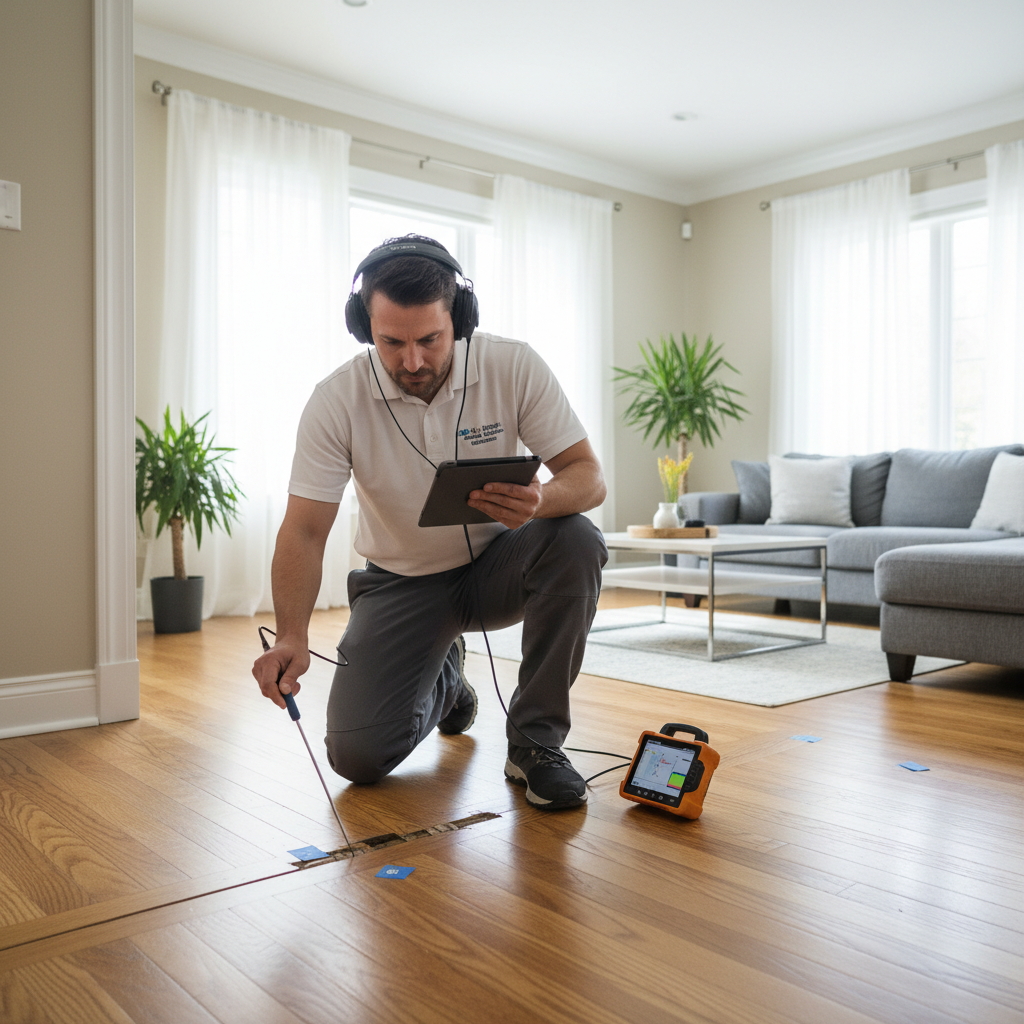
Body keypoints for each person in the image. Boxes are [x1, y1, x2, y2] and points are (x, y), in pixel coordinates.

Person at [251, 235, 608, 810]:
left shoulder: (512, 365)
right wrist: (292, 633)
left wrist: (540, 500)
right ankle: (448, 683)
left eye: (429, 340)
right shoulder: (335, 401)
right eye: (391, 342)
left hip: (500, 567)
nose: (412, 362)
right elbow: (304, 530)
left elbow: (588, 477)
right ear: (364, 326)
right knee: (357, 758)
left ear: (458, 319)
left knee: (576, 539)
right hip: (401, 581)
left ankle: (536, 743)